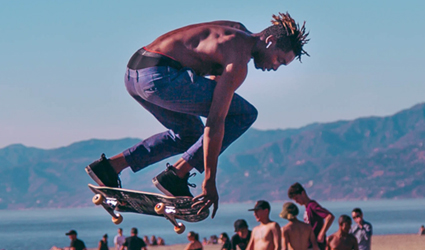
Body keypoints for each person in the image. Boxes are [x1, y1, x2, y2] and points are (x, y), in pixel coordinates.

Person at [85, 12, 310, 217]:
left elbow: (208, 79)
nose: (276, 67)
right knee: (245, 114)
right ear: (270, 41)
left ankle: (110, 167)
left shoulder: (234, 29)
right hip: (160, 77)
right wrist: (209, 181)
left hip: (134, 74)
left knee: (190, 134)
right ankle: (176, 175)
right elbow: (215, 121)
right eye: (280, 59)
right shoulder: (238, 62)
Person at [288, 182, 334, 250]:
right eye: (294, 200)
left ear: (303, 193)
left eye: (297, 198)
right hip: (310, 244)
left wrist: (321, 233)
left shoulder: (312, 205)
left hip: (316, 245)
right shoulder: (307, 207)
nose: (296, 201)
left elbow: (329, 217)